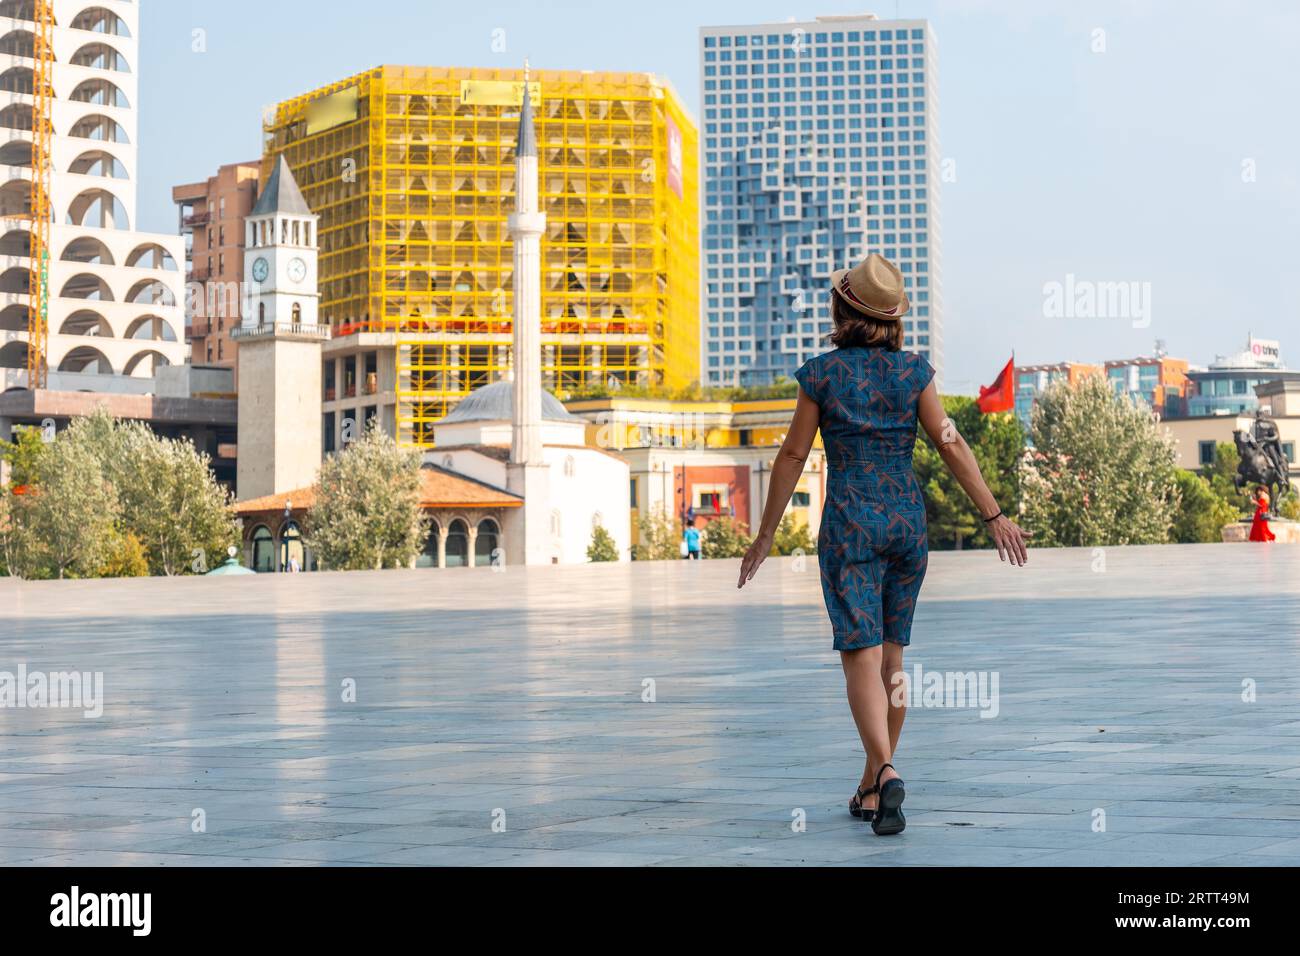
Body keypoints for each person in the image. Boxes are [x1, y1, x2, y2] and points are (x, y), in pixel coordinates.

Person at [737, 253, 1030, 837]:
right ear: (893, 318)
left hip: (850, 524)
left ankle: (887, 771)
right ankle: (872, 786)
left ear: (842, 309)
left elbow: (793, 455)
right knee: (894, 661)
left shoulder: (821, 374)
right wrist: (993, 512)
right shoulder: (914, 373)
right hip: (906, 524)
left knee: (861, 659)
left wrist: (766, 533)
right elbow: (950, 443)